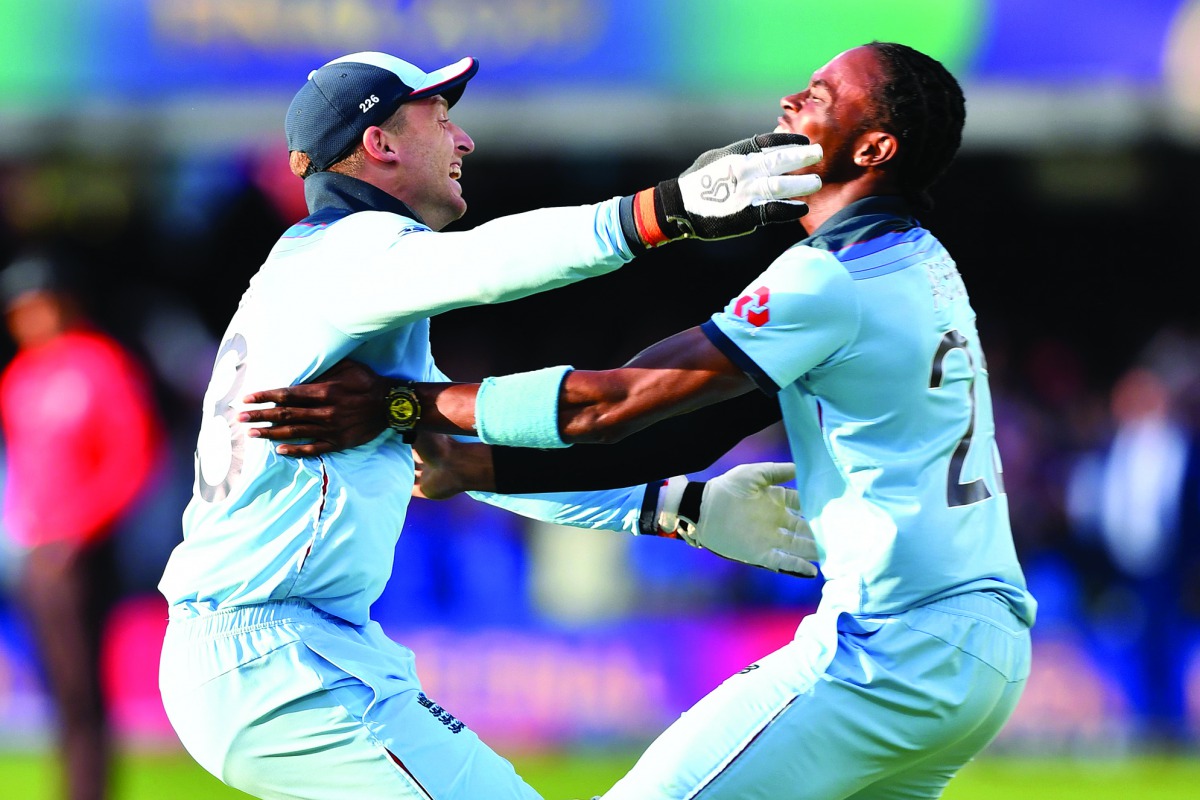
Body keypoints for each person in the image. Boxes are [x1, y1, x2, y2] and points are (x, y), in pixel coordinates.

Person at [244, 42, 1038, 799]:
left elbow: (613, 404)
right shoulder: (920, 262)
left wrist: (403, 403)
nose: (791, 100)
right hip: (985, 645)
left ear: (872, 152)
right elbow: (686, 432)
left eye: (822, 97)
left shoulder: (828, 280)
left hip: (893, 646)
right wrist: (477, 466)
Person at [157, 49, 827, 800]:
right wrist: (663, 210)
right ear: (379, 144)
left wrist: (674, 509)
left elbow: (471, 457)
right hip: (274, 656)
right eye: (441, 120)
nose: (464, 142)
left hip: (282, 651)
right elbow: (488, 264)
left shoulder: (335, 282)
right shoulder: (346, 256)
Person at [0, 251, 164, 800]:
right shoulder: (21, 376)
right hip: (34, 551)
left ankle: (88, 790)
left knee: (81, 689)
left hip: (81, 553)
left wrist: (80, 528)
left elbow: (132, 456)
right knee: (53, 688)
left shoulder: (100, 365)